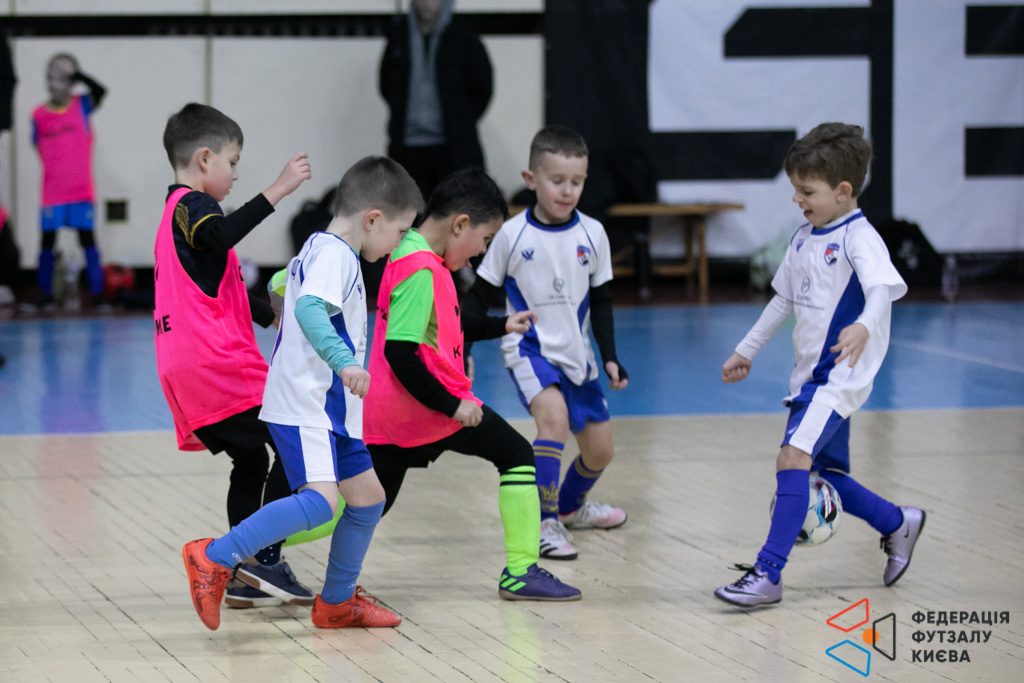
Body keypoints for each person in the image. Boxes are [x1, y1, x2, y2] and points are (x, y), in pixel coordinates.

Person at [182, 156, 423, 631]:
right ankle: (214, 556)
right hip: (307, 405)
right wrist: (345, 361)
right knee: (320, 502)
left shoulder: (318, 246)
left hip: (330, 410)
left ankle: (337, 603)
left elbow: (287, 290)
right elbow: (312, 308)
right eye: (399, 233)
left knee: (367, 499)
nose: (398, 245)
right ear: (372, 219)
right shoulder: (337, 255)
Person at [714, 123, 925, 607]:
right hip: (809, 379)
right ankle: (898, 522)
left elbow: (881, 290)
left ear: (843, 191)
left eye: (807, 191)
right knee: (825, 477)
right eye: (796, 189)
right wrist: (746, 349)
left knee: (792, 459)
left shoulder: (860, 238)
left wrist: (865, 326)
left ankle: (767, 573)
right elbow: (781, 301)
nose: (797, 199)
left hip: (838, 378)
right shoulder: (803, 237)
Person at [363, 167, 581, 601]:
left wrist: (501, 325)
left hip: (393, 412)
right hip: (426, 408)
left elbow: (442, 329)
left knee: (366, 505)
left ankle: (257, 552)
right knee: (517, 455)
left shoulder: (412, 253)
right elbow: (400, 353)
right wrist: (452, 405)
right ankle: (521, 572)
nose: (481, 252)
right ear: (460, 224)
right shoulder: (421, 270)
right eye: (484, 239)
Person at [156, 103, 314, 611]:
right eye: (233, 161)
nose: (236, 173)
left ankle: (245, 573)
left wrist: (271, 317)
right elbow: (221, 235)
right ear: (205, 159)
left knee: (251, 459)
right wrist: (279, 188)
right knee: (293, 435)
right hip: (214, 363)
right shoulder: (191, 205)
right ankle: (260, 560)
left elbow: (215, 285)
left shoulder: (175, 219)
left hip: (189, 367)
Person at [466, 125, 628, 562]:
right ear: (531, 179)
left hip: (578, 356)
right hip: (529, 349)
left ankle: (571, 507)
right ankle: (544, 522)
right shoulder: (511, 234)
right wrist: (463, 350)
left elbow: (602, 299)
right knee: (553, 422)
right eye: (558, 181)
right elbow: (477, 299)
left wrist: (610, 357)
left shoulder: (593, 233)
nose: (568, 190)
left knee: (600, 452)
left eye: (577, 181)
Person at [379, 0, 493, 199]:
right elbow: (386, 84)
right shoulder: (399, 35)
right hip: (407, 147)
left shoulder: (463, 36)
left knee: (460, 208)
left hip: (454, 148)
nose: (426, 3)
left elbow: (482, 87)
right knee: (409, 213)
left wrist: (460, 120)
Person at [25, 53, 107, 311]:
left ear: (72, 82)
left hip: (81, 192)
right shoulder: (38, 115)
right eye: (50, 78)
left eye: (61, 78)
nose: (54, 84)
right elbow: (37, 146)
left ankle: (97, 294)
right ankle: (45, 294)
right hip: (52, 193)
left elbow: (100, 91)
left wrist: (78, 74)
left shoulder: (82, 105)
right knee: (47, 242)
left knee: (88, 241)